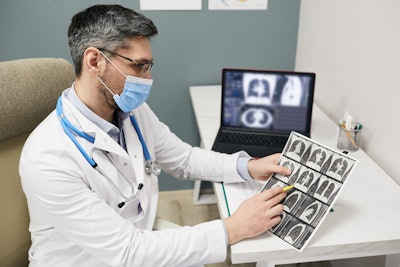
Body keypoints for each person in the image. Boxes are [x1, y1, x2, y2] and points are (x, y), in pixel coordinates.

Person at [19, 4, 291, 267]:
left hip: (138, 242)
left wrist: (248, 166)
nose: (147, 79)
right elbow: (128, 251)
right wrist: (233, 228)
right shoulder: (47, 159)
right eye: (139, 66)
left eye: (149, 66)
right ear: (95, 61)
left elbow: (183, 159)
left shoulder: (132, 111)